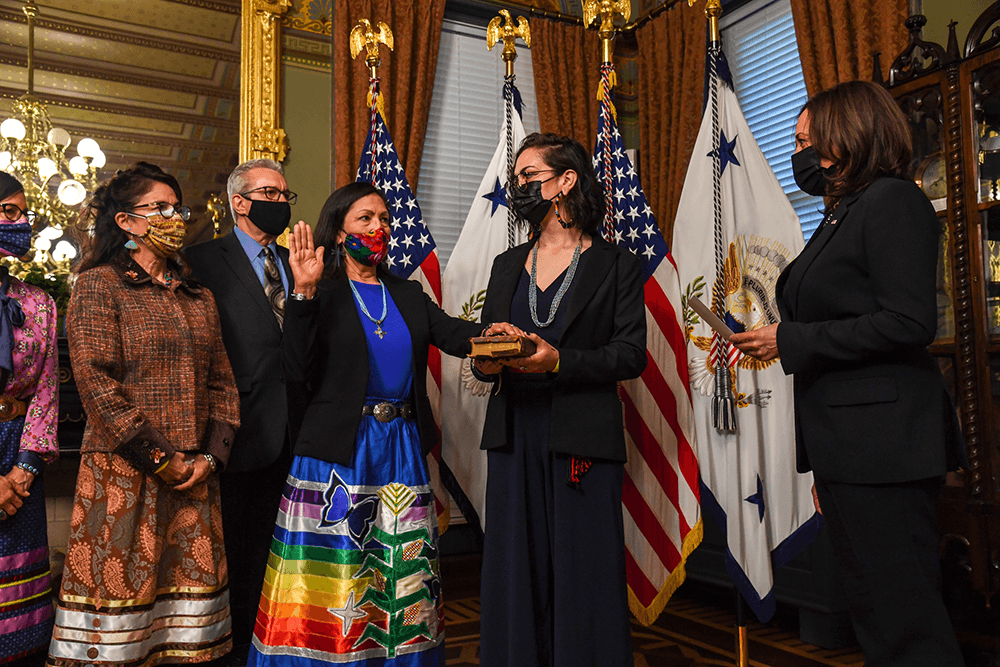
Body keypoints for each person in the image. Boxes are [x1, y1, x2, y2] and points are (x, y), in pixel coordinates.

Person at [730, 80, 966, 667]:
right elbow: (832, 316)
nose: (801, 154)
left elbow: (907, 322)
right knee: (879, 620)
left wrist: (791, 339)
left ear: (850, 134)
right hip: (848, 446)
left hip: (884, 446)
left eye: (809, 140)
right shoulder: (844, 213)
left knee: (907, 622)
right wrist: (778, 341)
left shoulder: (892, 202)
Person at [248, 181, 516, 667]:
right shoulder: (319, 292)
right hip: (338, 453)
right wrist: (303, 293)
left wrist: (499, 336)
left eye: (384, 219)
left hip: (401, 446)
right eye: (365, 219)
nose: (379, 228)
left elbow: (458, 335)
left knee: (399, 573)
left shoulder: (408, 295)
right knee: (338, 574)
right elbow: (295, 369)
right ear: (339, 229)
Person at [47, 162, 240, 666]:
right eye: (160, 207)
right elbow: (95, 384)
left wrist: (210, 459)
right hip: (124, 477)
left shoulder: (199, 297)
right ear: (127, 222)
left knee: (187, 633)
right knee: (120, 626)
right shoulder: (98, 285)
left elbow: (223, 383)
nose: (174, 217)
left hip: (193, 478)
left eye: (177, 207)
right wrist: (159, 457)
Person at [474, 133, 647, 667]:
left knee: (582, 570)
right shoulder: (507, 264)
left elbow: (630, 355)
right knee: (515, 566)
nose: (519, 187)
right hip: (514, 431)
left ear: (566, 181)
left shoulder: (616, 263)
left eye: (530, 176)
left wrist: (559, 362)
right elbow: (485, 346)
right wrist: (486, 355)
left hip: (580, 434)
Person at [184, 158, 296, 661]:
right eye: (268, 193)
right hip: (237, 433)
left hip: (301, 431)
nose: (279, 203)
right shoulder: (200, 260)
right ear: (239, 201)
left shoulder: (299, 262)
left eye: (284, 195)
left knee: (289, 561)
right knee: (238, 560)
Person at [0, 173, 59, 664]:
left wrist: (23, 468)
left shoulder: (38, 302)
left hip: (19, 451)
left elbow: (46, 390)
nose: (22, 223)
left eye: (22, 212)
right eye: (11, 212)